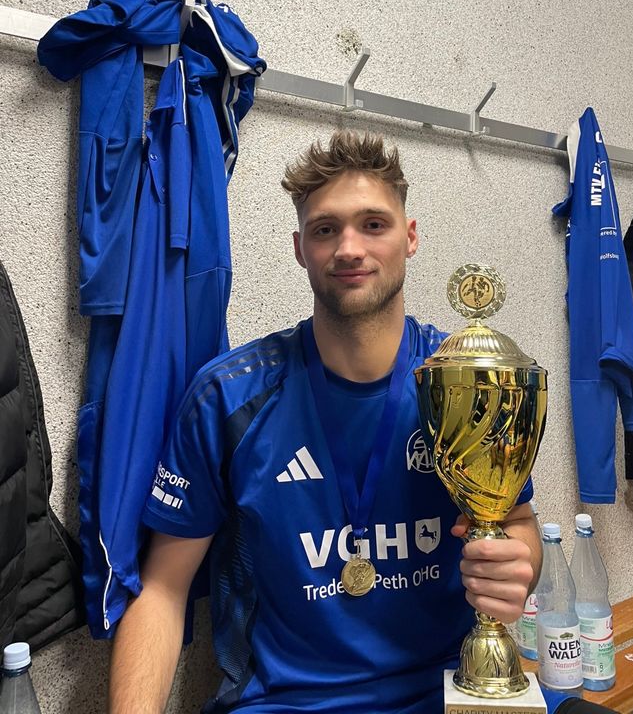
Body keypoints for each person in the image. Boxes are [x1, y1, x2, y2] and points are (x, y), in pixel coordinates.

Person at [108, 131, 542, 714]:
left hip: (453, 694)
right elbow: (163, 589)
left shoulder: (470, 384)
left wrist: (517, 567)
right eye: (325, 229)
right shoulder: (228, 398)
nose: (349, 248)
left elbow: (516, 523)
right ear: (300, 248)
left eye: (373, 224)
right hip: (288, 703)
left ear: (410, 237)